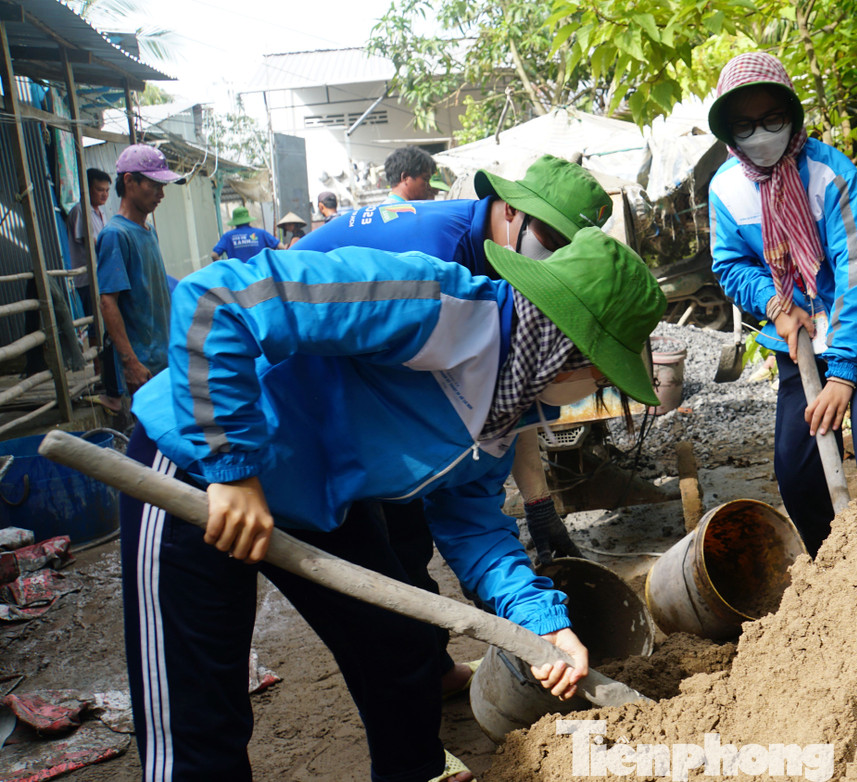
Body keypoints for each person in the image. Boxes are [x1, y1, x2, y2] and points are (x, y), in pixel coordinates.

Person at [122, 228, 665, 782]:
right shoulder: (429, 302)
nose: (597, 387)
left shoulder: (505, 411)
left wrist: (541, 624)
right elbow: (218, 297)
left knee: (398, 646)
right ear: (562, 346)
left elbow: (474, 530)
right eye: (601, 372)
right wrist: (232, 466)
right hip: (197, 463)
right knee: (198, 699)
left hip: (319, 497)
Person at [295, 155, 612, 692]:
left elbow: (502, 412)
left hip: (349, 429)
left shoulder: (509, 288)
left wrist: (535, 508)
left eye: (569, 250)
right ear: (512, 211)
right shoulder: (436, 268)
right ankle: (423, 672)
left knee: (404, 555)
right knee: (397, 545)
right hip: (302, 382)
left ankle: (426, 674)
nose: (557, 259)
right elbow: (249, 301)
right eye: (552, 239)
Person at [707, 52, 857, 557]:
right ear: (729, 132)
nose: (760, 134)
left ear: (793, 116)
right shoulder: (726, 189)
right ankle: (837, 574)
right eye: (745, 125)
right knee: (796, 464)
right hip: (801, 340)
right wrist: (776, 305)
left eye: (772, 119)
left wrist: (844, 373)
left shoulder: (829, 174)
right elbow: (732, 265)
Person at [95, 144, 185, 411]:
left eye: (163, 187)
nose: (161, 194)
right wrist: (130, 363)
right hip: (143, 368)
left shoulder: (147, 230)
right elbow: (108, 303)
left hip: (164, 360)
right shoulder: (115, 234)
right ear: (129, 181)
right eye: (154, 185)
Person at [66, 167, 111, 320]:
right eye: (100, 190)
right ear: (87, 188)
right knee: (95, 323)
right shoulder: (81, 210)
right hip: (87, 280)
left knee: (105, 320)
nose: (104, 194)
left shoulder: (100, 212)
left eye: (107, 190)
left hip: (101, 276)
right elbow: (93, 243)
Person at [210, 206, 283, 261]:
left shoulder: (228, 236)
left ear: (235, 221)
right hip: (260, 275)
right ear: (248, 219)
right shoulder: (261, 233)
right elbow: (281, 247)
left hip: (238, 276)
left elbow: (214, 255)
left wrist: (226, 269)